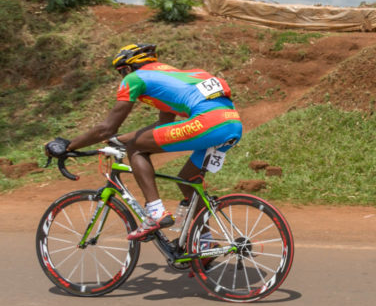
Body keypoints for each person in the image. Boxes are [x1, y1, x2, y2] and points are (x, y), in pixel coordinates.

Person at [43, 43, 244, 241]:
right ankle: (205, 243)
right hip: (232, 124)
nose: (122, 77)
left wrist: (69, 146)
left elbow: (107, 128)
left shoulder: (134, 78)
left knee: (136, 150)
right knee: (188, 180)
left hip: (207, 123)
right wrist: (118, 140)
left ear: (128, 68)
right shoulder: (173, 78)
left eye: (121, 72)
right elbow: (162, 126)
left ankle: (155, 212)